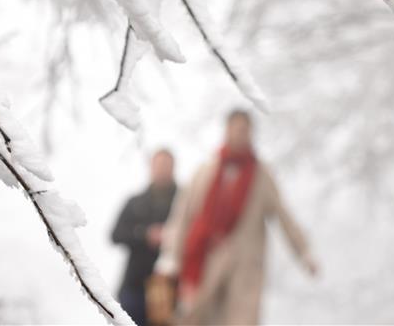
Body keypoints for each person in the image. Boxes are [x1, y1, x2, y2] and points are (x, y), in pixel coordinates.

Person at [155, 110, 318, 325]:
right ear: (227, 130)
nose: (242, 134)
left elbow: (283, 215)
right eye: (237, 129)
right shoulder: (206, 171)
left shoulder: (261, 176)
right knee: (192, 318)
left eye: (246, 130)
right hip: (205, 262)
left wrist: (303, 251)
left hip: (244, 268)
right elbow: (182, 216)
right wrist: (170, 256)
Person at [112, 149, 177, 326]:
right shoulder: (135, 202)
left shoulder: (183, 202)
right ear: (151, 167)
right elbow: (116, 235)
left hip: (170, 289)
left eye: (166, 165)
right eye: (159, 165)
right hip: (135, 287)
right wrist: (145, 234)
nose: (162, 169)